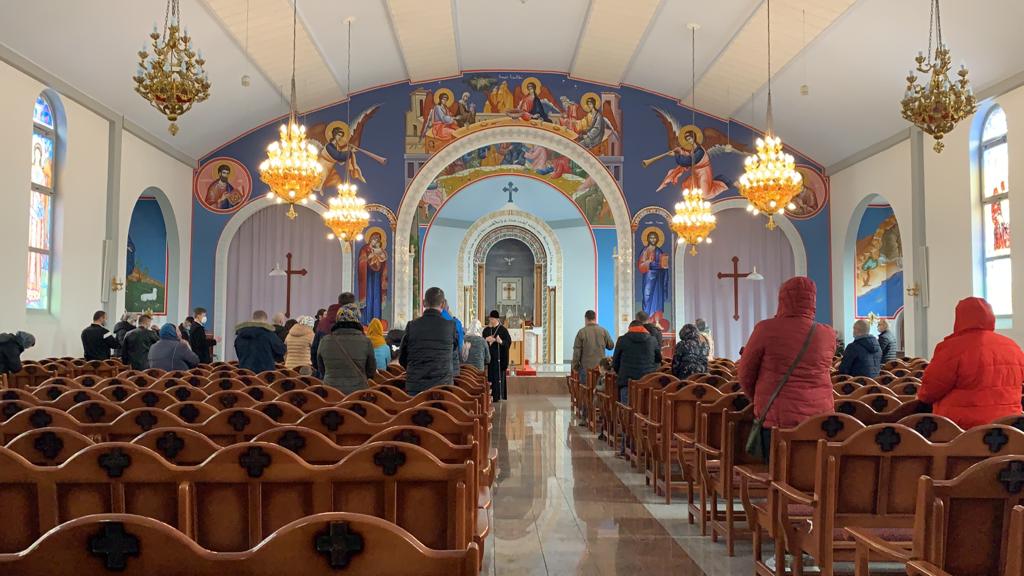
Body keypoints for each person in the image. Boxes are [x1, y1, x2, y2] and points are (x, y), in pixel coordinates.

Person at [738, 277, 837, 455]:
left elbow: (745, 373)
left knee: (778, 469)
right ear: (813, 300)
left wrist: (759, 400)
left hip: (778, 420)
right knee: (814, 468)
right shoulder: (827, 334)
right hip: (820, 421)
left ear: (782, 299)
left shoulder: (766, 329)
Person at [918, 297, 1024, 428]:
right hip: (1010, 427)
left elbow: (929, 391)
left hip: (960, 429)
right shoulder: (1013, 346)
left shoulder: (952, 347)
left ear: (960, 318)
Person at [399, 287, 458, 394]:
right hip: (443, 389)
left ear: (424, 303)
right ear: (443, 304)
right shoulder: (451, 326)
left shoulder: (412, 326)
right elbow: (453, 352)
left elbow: (402, 358)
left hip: (415, 388)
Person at [318, 305, 377, 393]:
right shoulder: (366, 342)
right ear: (357, 319)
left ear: (337, 319)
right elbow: (371, 371)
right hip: (357, 394)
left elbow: (321, 368)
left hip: (330, 393)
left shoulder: (325, 341)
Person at [612, 320, 662, 404]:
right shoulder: (652, 340)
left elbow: (615, 362)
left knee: (626, 408)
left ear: (629, 328)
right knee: (646, 408)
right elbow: (658, 359)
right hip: (647, 381)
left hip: (626, 381)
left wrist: (620, 373)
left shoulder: (622, 340)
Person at [314, 293, 356, 376]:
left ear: (339, 301)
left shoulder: (322, 323)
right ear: (352, 305)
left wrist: (321, 372)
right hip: (349, 374)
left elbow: (315, 350)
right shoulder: (354, 324)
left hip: (327, 374)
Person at [572, 310, 614, 385]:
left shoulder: (581, 332)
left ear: (586, 319)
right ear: (595, 318)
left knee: (585, 390)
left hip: (586, 369)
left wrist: (575, 367)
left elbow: (576, 353)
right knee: (600, 390)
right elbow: (611, 346)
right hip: (601, 369)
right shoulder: (603, 331)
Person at [483, 310, 512, 402]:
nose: (490, 321)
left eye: (492, 319)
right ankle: (490, 395)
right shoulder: (486, 330)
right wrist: (486, 339)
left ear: (497, 319)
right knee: (490, 377)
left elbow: (508, 342)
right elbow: (482, 341)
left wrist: (501, 341)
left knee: (497, 377)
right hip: (489, 358)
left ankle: (498, 396)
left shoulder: (503, 330)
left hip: (499, 359)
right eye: (490, 319)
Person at [441, 300, 465, 376]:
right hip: (451, 366)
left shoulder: (426, 323)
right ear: (447, 308)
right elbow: (460, 348)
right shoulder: (456, 323)